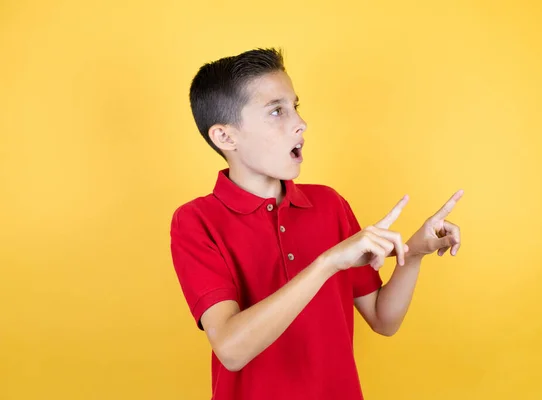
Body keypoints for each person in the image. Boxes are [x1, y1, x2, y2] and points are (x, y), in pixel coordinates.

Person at [169, 48, 463, 400]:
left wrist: (414, 252)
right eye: (277, 111)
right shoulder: (196, 222)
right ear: (225, 137)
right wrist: (327, 263)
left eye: (296, 107)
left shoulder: (329, 205)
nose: (300, 123)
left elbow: (384, 321)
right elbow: (231, 349)